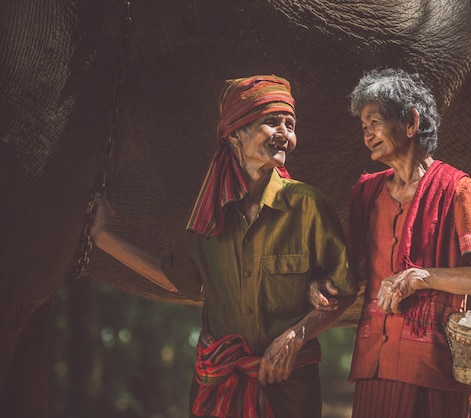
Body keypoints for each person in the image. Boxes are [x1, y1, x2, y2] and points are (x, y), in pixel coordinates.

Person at [90, 75, 358, 418]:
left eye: (290, 125)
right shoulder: (207, 216)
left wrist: (295, 337)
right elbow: (176, 279)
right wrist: (101, 237)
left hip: (291, 386)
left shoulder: (308, 206)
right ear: (235, 134)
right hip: (218, 385)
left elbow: (345, 289)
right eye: (271, 122)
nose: (285, 134)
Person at [311, 68, 471, 418]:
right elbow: (352, 271)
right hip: (375, 364)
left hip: (434, 367)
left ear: (412, 123)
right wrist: (323, 284)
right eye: (363, 127)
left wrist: (423, 276)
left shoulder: (461, 190)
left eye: (374, 121)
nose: (367, 133)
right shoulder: (365, 191)